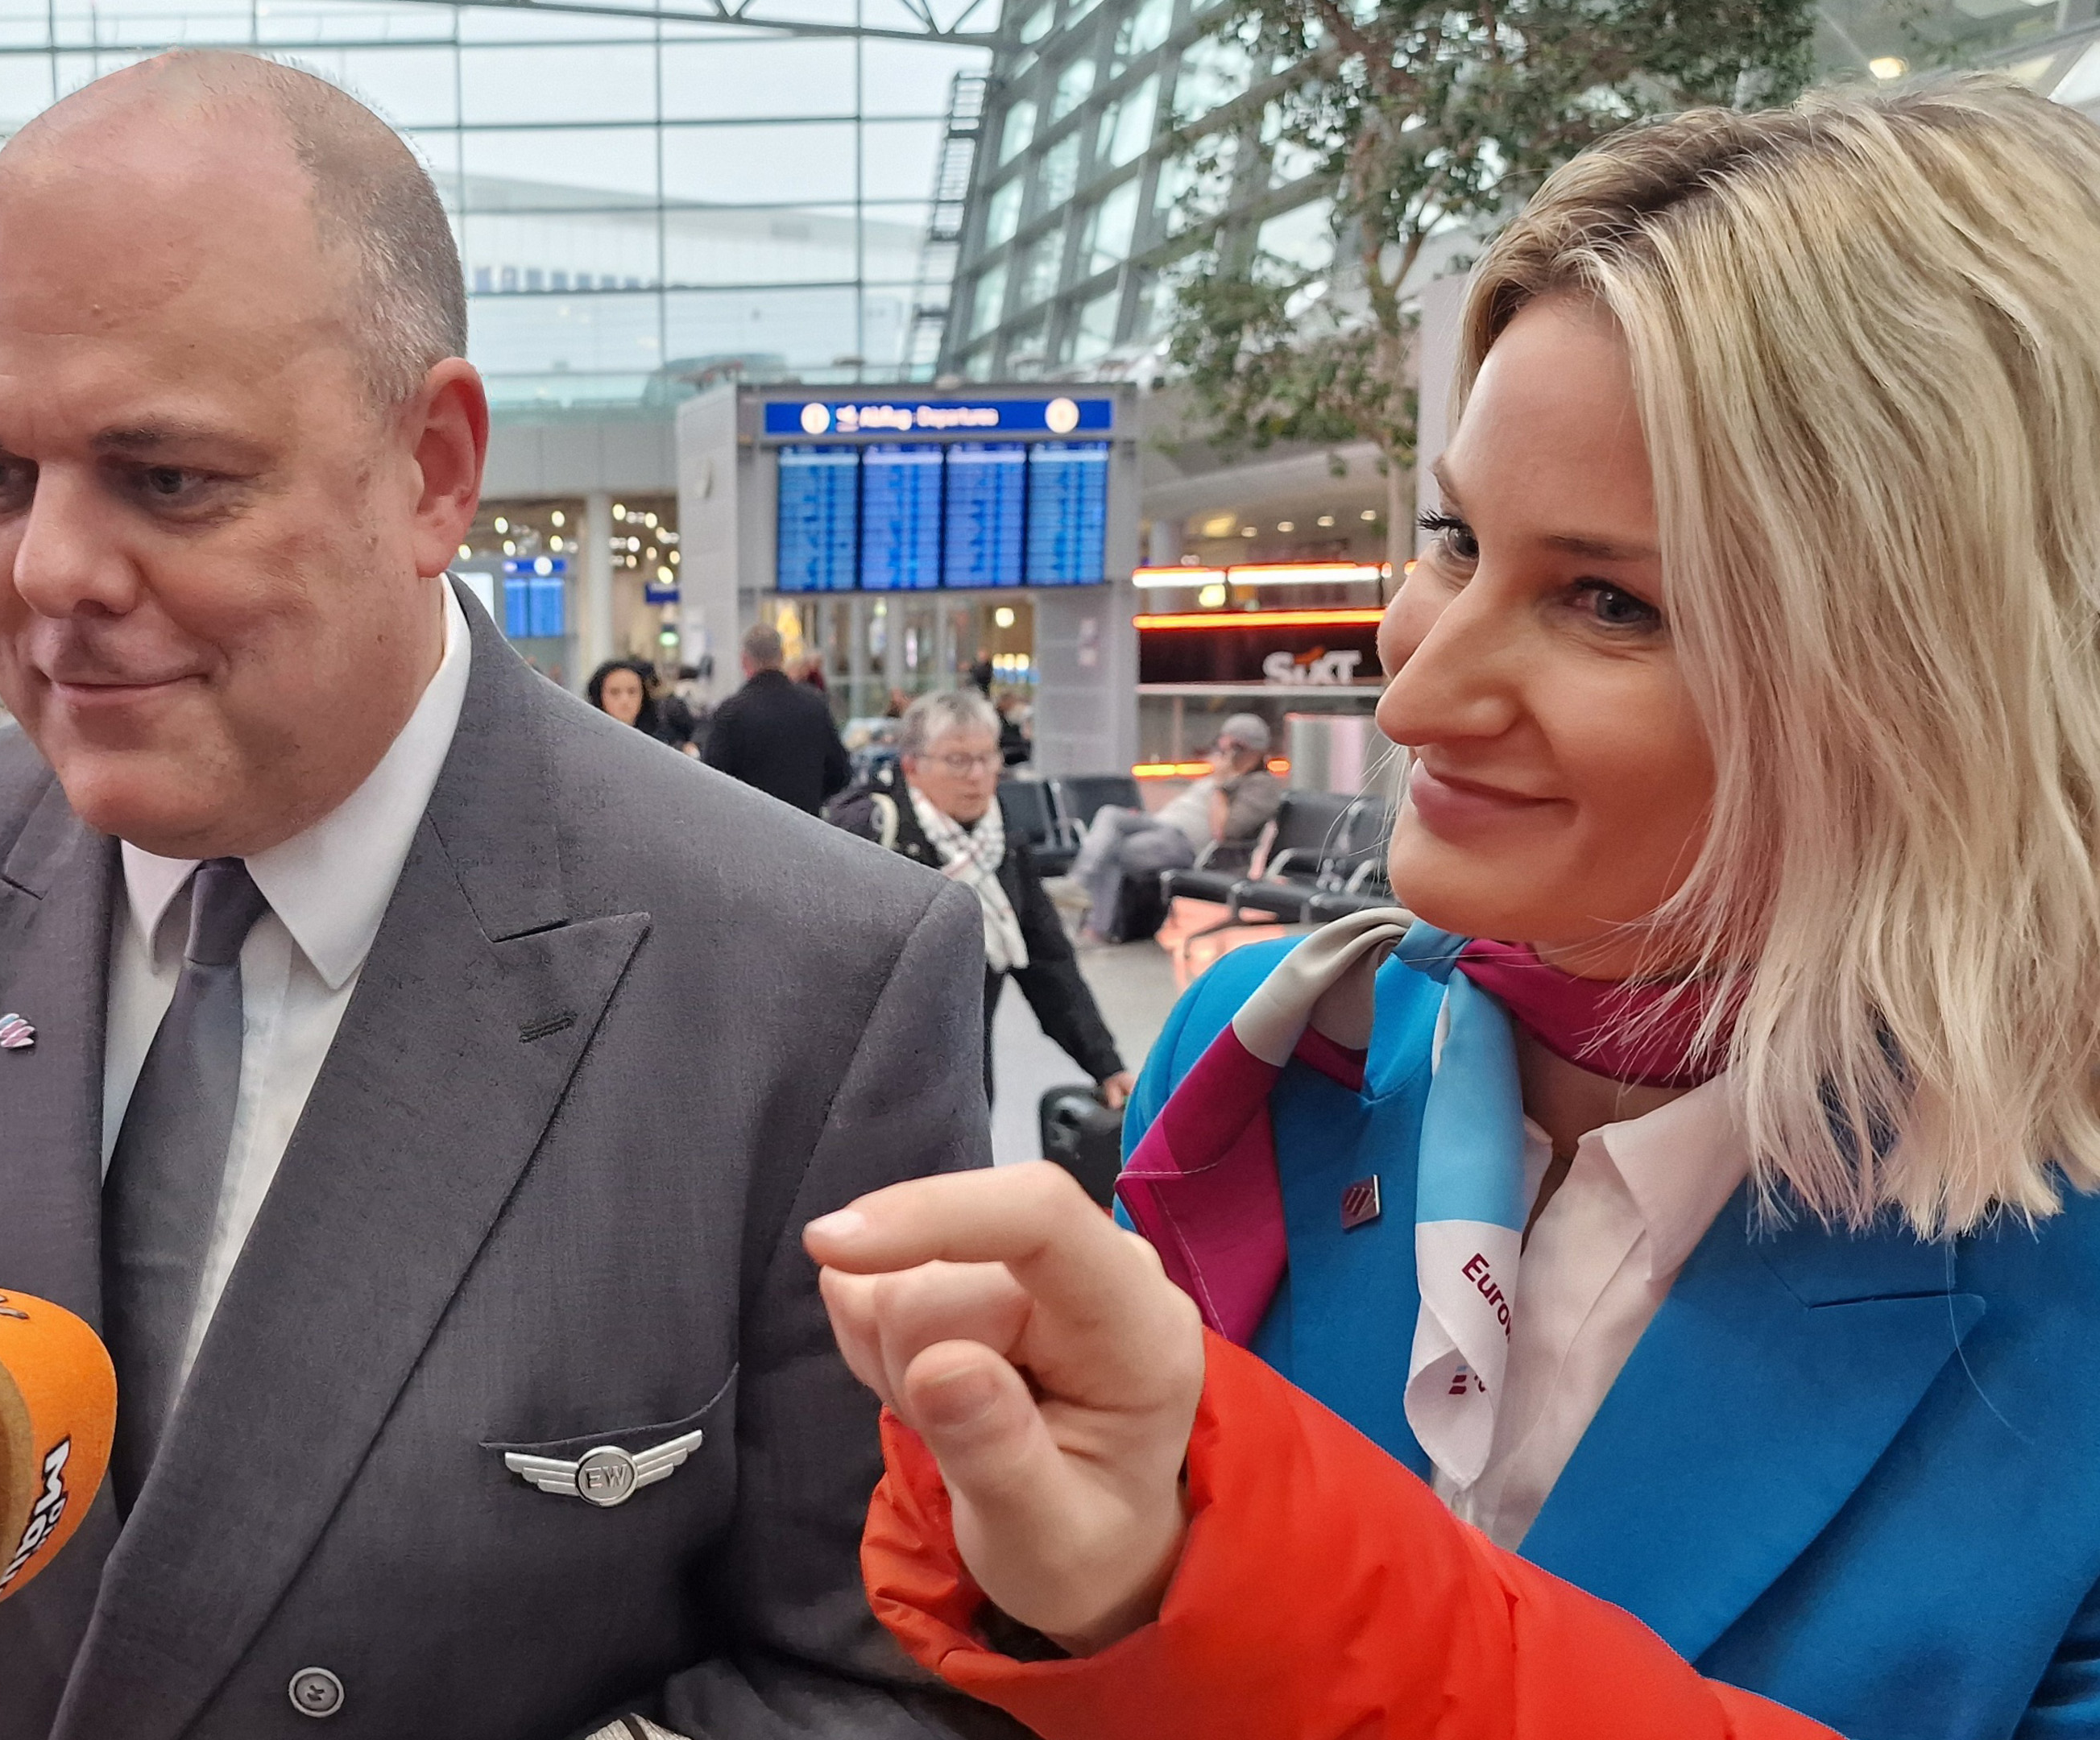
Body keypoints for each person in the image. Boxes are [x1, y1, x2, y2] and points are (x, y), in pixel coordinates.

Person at [0, 50, 992, 1740]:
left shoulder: (811, 982)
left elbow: (879, 1681)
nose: (51, 575)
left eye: (167, 480)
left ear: (433, 470)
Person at [814, 77, 2100, 1738]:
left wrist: (1207, 1571)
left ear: (1952, 679)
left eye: (1610, 601)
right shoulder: (1274, 1054)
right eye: (1451, 539)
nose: (1410, 693)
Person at [830, 690, 1131, 1111]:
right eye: (957, 760)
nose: (976, 775)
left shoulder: (1001, 843)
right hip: (869, 1084)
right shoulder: (869, 833)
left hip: (965, 1080)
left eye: (987, 758)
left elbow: (1049, 964)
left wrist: (1105, 1065)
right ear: (912, 766)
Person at [1063, 713, 1282, 942]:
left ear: (1248, 750)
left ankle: (1093, 920)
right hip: (1161, 828)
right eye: (1221, 745)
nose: (1222, 752)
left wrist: (1220, 785)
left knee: (1115, 850)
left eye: (1229, 747)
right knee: (1110, 814)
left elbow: (1225, 832)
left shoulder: (1261, 786)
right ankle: (1078, 887)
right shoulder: (1226, 773)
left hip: (1186, 845)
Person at [701, 622, 851, 813]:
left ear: (744, 660)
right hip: (805, 828)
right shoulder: (814, 706)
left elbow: (712, 780)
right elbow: (841, 774)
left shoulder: (732, 713)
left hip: (751, 829)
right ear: (782, 657)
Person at [583, 656, 685, 748]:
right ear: (599, 696)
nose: (625, 700)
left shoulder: (664, 739)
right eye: (615, 692)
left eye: (632, 692)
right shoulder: (587, 740)